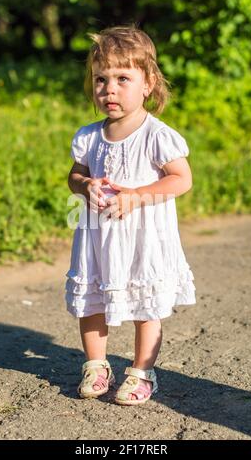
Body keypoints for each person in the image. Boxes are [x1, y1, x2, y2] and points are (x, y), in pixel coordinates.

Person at [66, 24, 196, 406]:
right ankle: (96, 364)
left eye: (123, 78)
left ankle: (142, 371)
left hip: (142, 238)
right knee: (91, 299)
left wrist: (138, 195)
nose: (110, 88)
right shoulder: (89, 136)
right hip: (97, 236)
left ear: (148, 82)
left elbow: (181, 180)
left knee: (145, 301)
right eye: (101, 79)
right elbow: (75, 175)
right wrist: (83, 185)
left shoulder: (156, 135)